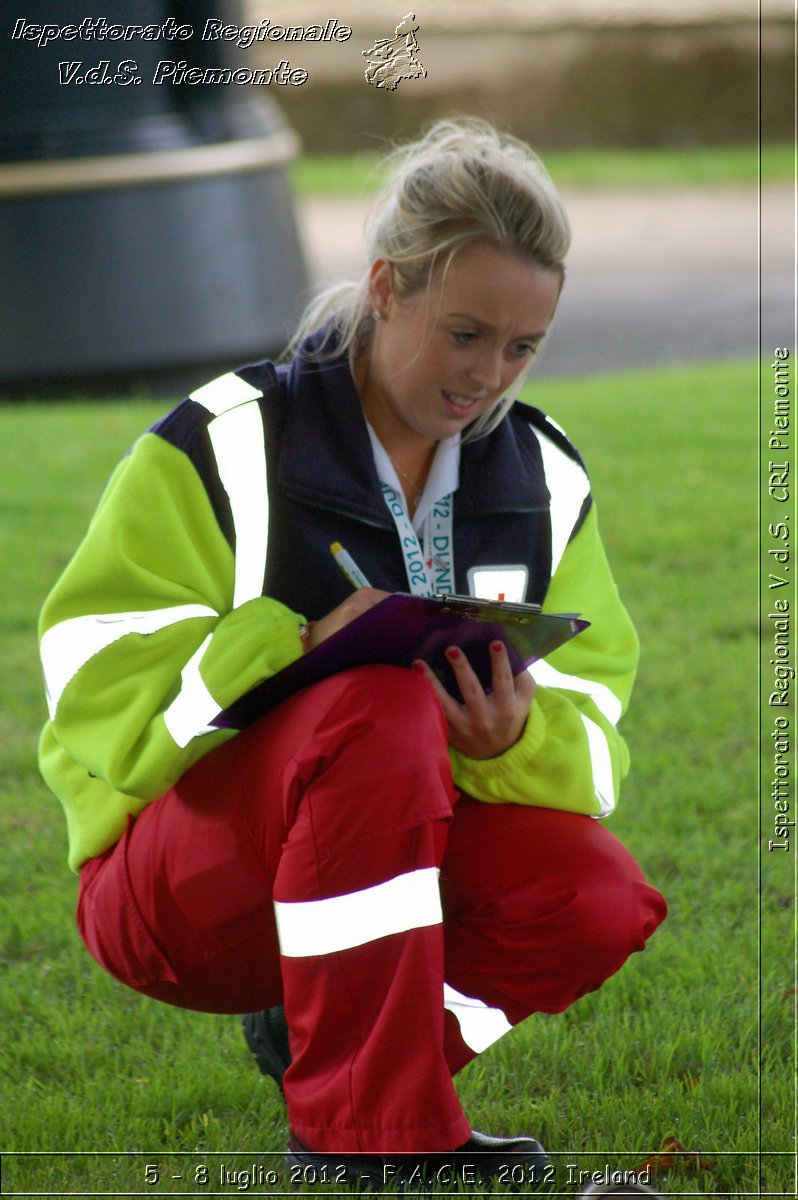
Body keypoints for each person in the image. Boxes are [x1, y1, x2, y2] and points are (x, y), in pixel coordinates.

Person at [38, 118, 666, 1189]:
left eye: (523, 346)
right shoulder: (224, 439)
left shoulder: (547, 478)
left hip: (388, 859)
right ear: (385, 287)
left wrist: (514, 735)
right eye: (464, 333)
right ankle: (367, 1139)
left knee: (596, 896)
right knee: (377, 711)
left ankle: (342, 1060)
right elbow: (95, 680)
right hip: (181, 894)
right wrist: (290, 647)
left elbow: (596, 733)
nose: (488, 377)